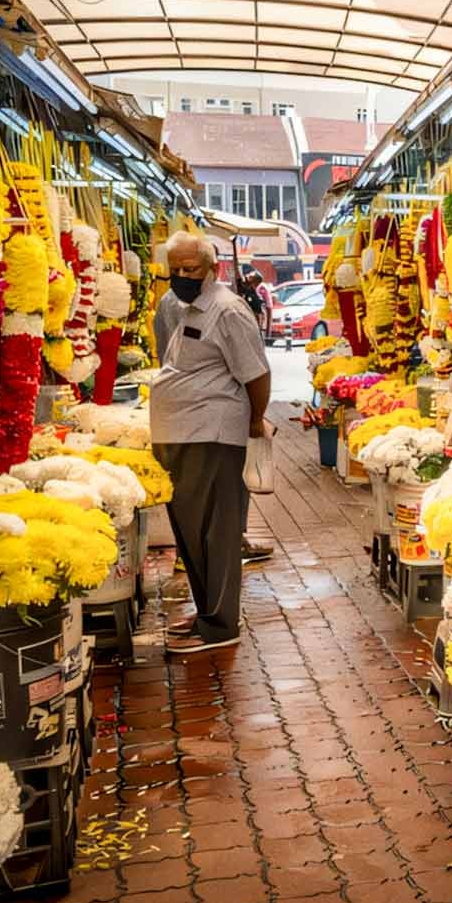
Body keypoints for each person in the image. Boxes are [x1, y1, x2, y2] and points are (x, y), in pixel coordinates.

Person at [150, 231, 272, 654]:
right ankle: (206, 612)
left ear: (213, 269)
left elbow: (256, 374)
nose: (181, 277)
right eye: (175, 270)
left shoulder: (228, 311)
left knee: (216, 532)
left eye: (191, 270)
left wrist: (255, 420)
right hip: (176, 432)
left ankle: (221, 626)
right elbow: (168, 358)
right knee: (189, 532)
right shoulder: (170, 304)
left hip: (215, 433)